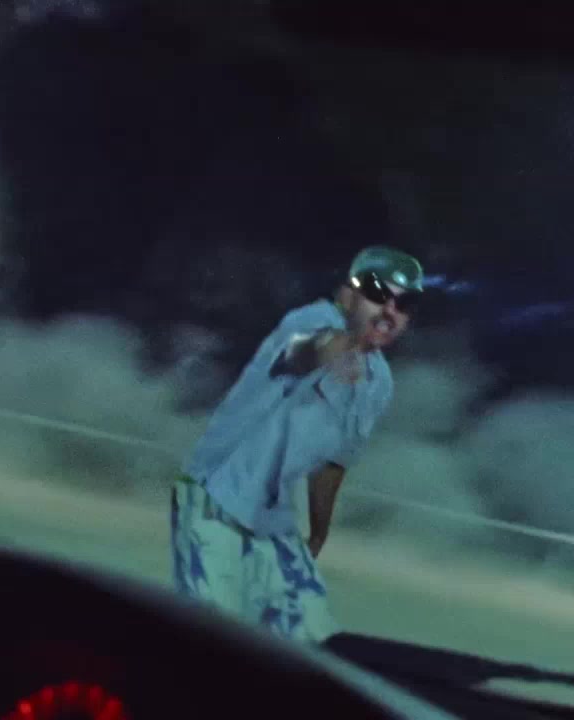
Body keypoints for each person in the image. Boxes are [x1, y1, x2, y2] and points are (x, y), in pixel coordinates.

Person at [171, 245, 423, 642]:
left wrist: (319, 532)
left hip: (273, 521)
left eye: (403, 304)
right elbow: (302, 351)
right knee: (213, 640)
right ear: (348, 295)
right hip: (213, 501)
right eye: (378, 294)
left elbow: (335, 462)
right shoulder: (312, 320)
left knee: (310, 640)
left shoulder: (379, 381)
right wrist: (336, 347)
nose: (390, 311)